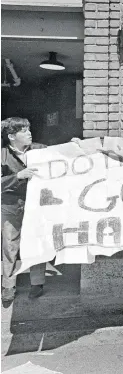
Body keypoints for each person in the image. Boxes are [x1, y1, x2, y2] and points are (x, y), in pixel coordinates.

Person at [1, 117, 47, 303]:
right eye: (23, 130)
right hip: (11, 207)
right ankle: (8, 286)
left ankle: (37, 283)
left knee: (37, 243)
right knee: (10, 245)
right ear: (12, 136)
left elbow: (64, 155)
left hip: (37, 205)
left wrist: (75, 146)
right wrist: (17, 176)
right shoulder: (2, 155)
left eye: (29, 129)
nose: (29, 133)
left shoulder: (41, 150)